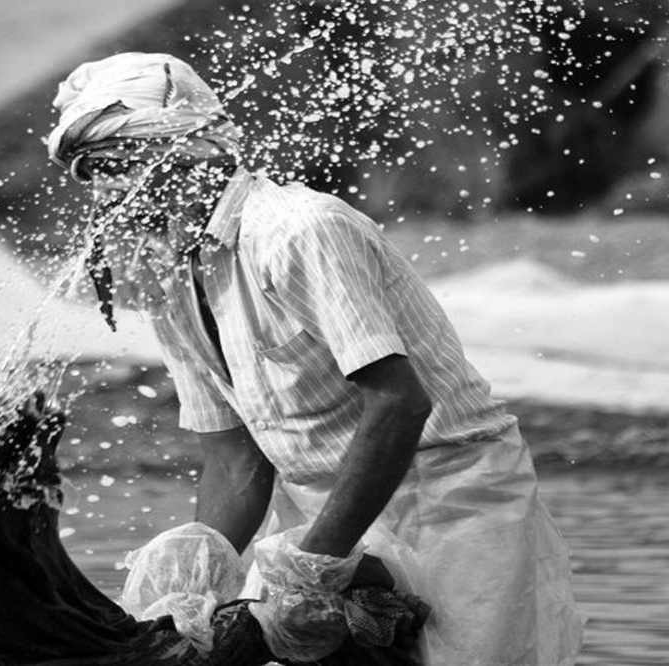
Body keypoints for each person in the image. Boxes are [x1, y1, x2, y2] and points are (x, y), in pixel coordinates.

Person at [46, 52, 583, 665]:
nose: (108, 188)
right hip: (320, 514)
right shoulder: (171, 279)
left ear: (185, 148)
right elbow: (235, 460)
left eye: (121, 163)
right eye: (91, 172)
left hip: (447, 498)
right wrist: (199, 574)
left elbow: (400, 403)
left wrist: (310, 568)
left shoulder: (298, 230)